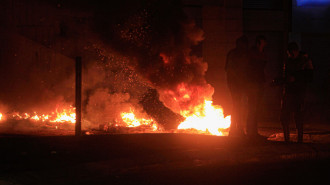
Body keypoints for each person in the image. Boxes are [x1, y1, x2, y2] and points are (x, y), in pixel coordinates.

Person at [280, 42, 313, 143]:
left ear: (295, 51)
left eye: (291, 52)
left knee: (298, 115)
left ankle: (300, 139)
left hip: (299, 92)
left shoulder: (305, 61)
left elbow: (310, 76)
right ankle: (287, 139)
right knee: (284, 115)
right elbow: (285, 74)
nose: (290, 54)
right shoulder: (288, 61)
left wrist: (296, 78)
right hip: (289, 91)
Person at [225, 35, 249, 137]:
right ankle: (235, 129)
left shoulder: (243, 54)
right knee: (236, 106)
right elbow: (229, 69)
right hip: (235, 84)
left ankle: (237, 129)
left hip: (241, 84)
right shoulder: (234, 54)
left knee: (239, 106)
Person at [245, 35, 267, 138]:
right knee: (252, 108)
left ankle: (254, 131)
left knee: (256, 108)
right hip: (252, 83)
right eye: (263, 43)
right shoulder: (252, 53)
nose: (265, 44)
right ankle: (250, 131)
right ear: (258, 43)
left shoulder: (261, 53)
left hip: (258, 83)